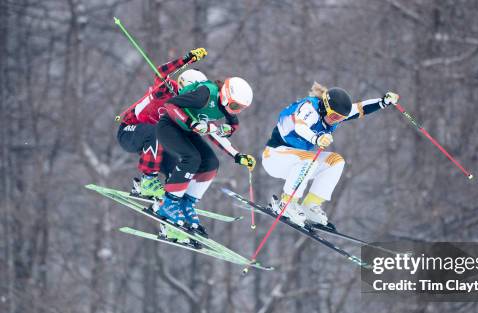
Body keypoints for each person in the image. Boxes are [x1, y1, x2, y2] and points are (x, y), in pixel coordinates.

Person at [261, 82, 399, 227]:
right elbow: (300, 126)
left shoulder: (334, 115)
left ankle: (310, 206)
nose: (336, 120)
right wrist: (317, 138)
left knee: (336, 161)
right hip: (275, 156)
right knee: (309, 160)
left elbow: (359, 108)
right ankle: (288, 203)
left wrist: (383, 102)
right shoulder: (310, 108)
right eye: (334, 116)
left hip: (297, 161)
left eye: (340, 118)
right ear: (326, 107)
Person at [154, 69, 256, 236]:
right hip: (169, 127)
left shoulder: (225, 107)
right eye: (236, 106)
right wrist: (191, 123)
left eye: (241, 109)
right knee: (192, 158)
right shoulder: (205, 94)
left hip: (187, 132)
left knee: (211, 163)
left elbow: (218, 131)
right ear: (226, 95)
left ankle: (187, 203)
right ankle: (169, 204)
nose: (236, 111)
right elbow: (171, 104)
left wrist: (237, 155)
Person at [116, 47, 208, 199]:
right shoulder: (167, 90)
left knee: (178, 167)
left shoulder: (188, 110)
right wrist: (186, 59)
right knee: (155, 131)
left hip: (155, 142)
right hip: (129, 132)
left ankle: (167, 205)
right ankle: (148, 181)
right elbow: (161, 72)